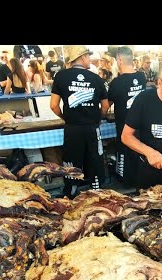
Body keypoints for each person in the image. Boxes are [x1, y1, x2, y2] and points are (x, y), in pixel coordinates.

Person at [50, 45, 109, 196]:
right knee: (94, 158)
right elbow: (105, 106)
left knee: (71, 158)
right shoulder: (96, 78)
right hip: (91, 127)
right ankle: (96, 188)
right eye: (88, 56)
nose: (90, 59)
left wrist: (65, 117)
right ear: (82, 57)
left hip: (72, 128)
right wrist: (98, 117)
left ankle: (71, 188)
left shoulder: (61, 76)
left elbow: (54, 106)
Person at [108, 46, 146, 188]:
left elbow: (107, 105)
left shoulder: (116, 83)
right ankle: (139, 182)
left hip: (124, 127)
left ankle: (127, 184)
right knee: (140, 151)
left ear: (119, 60)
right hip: (140, 127)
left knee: (124, 154)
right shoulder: (142, 77)